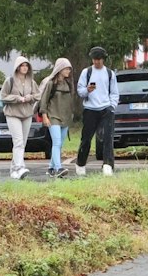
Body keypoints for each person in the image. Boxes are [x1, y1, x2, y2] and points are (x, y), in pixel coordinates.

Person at [74, 45, 119, 176]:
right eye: (94, 59)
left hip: (106, 109)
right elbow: (80, 91)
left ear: (103, 59)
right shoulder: (86, 72)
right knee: (86, 138)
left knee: (107, 137)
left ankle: (108, 164)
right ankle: (81, 163)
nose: (96, 62)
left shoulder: (110, 73)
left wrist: (112, 107)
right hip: (90, 109)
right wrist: (87, 90)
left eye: (99, 59)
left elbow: (114, 93)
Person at [38, 57, 81, 177]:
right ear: (60, 68)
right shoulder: (51, 83)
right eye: (66, 68)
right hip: (53, 117)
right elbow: (44, 101)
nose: (68, 71)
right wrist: (45, 116)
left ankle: (51, 168)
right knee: (56, 143)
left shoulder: (68, 83)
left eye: (69, 69)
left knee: (60, 144)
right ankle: (58, 168)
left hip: (65, 118)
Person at [0, 56, 40, 180]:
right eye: (22, 65)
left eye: (26, 65)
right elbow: (2, 96)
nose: (25, 68)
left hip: (27, 114)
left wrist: (29, 98)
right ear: (17, 67)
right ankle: (20, 167)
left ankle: (14, 169)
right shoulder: (9, 81)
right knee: (18, 141)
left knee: (23, 143)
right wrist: (17, 98)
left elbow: (38, 95)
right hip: (12, 114)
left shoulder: (31, 81)